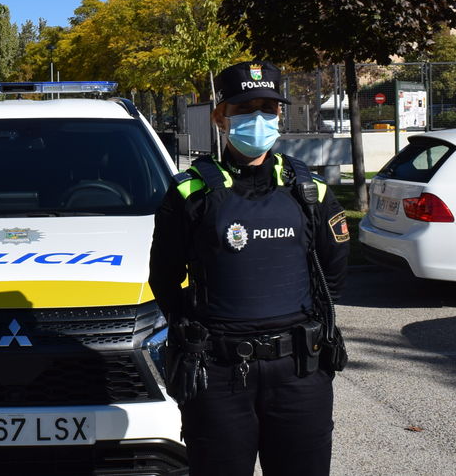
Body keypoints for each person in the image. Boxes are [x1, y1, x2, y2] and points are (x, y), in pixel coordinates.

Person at [149, 60, 349, 476]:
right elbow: (164, 278)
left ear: (280, 115)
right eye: (245, 108)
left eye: (268, 108)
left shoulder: (308, 189)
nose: (258, 118)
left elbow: (333, 273)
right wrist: (196, 331)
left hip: (300, 371)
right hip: (218, 376)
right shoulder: (190, 192)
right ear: (220, 116)